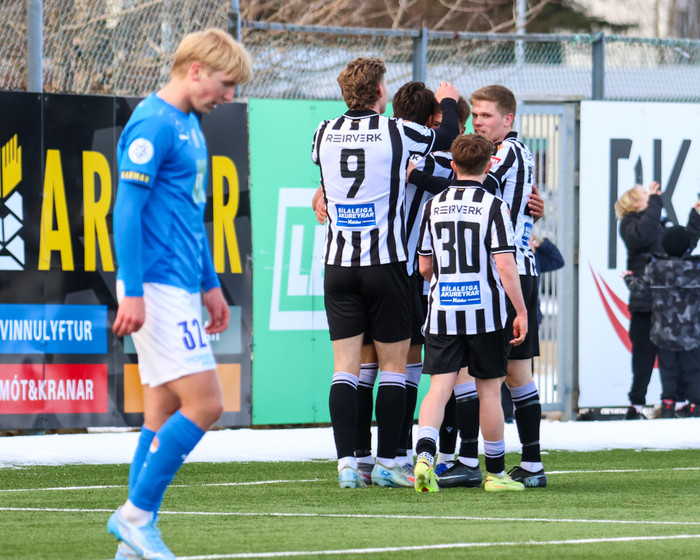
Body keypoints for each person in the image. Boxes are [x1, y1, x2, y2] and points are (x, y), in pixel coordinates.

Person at [107, 29, 252, 560]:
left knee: (161, 411)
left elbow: (191, 215)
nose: (229, 96)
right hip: (157, 285)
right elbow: (126, 209)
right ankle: (135, 517)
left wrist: (210, 285)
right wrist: (132, 289)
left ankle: (132, 543)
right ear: (195, 70)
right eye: (225, 83)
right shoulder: (153, 122)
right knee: (207, 403)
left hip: (180, 284)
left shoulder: (190, 123)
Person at [310, 57, 460, 489]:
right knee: (394, 367)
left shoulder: (323, 131)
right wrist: (448, 102)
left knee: (346, 368)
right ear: (379, 92)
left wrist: (321, 194)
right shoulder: (398, 130)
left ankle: (347, 464)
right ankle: (388, 463)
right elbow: (446, 136)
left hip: (338, 265)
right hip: (386, 264)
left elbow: (328, 173)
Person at [413, 133, 527, 493]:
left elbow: (424, 266)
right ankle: (496, 474)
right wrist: (521, 310)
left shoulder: (433, 205)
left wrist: (445, 281)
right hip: (485, 313)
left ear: (453, 165)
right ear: (490, 165)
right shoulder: (494, 206)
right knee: (489, 392)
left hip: (443, 312)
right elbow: (505, 265)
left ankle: (425, 457)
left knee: (439, 388)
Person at [615, 182, 700, 419]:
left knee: (676, 355)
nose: (653, 196)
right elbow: (644, 236)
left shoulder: (658, 225)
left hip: (668, 306)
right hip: (645, 305)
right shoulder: (630, 224)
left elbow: (683, 245)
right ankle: (636, 405)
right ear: (634, 202)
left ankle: (677, 402)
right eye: (646, 194)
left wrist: (696, 215)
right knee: (643, 357)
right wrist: (656, 201)